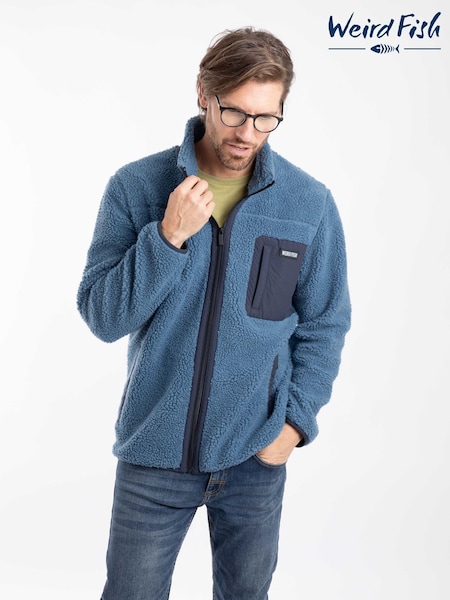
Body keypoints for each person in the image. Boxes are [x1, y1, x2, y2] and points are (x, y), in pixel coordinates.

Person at [77, 26, 351, 600]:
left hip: (255, 455)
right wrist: (167, 238)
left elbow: (324, 323)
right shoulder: (137, 187)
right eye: (234, 113)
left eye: (266, 118)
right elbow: (102, 316)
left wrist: (293, 426)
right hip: (154, 456)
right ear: (204, 93)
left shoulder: (307, 203)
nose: (248, 133)